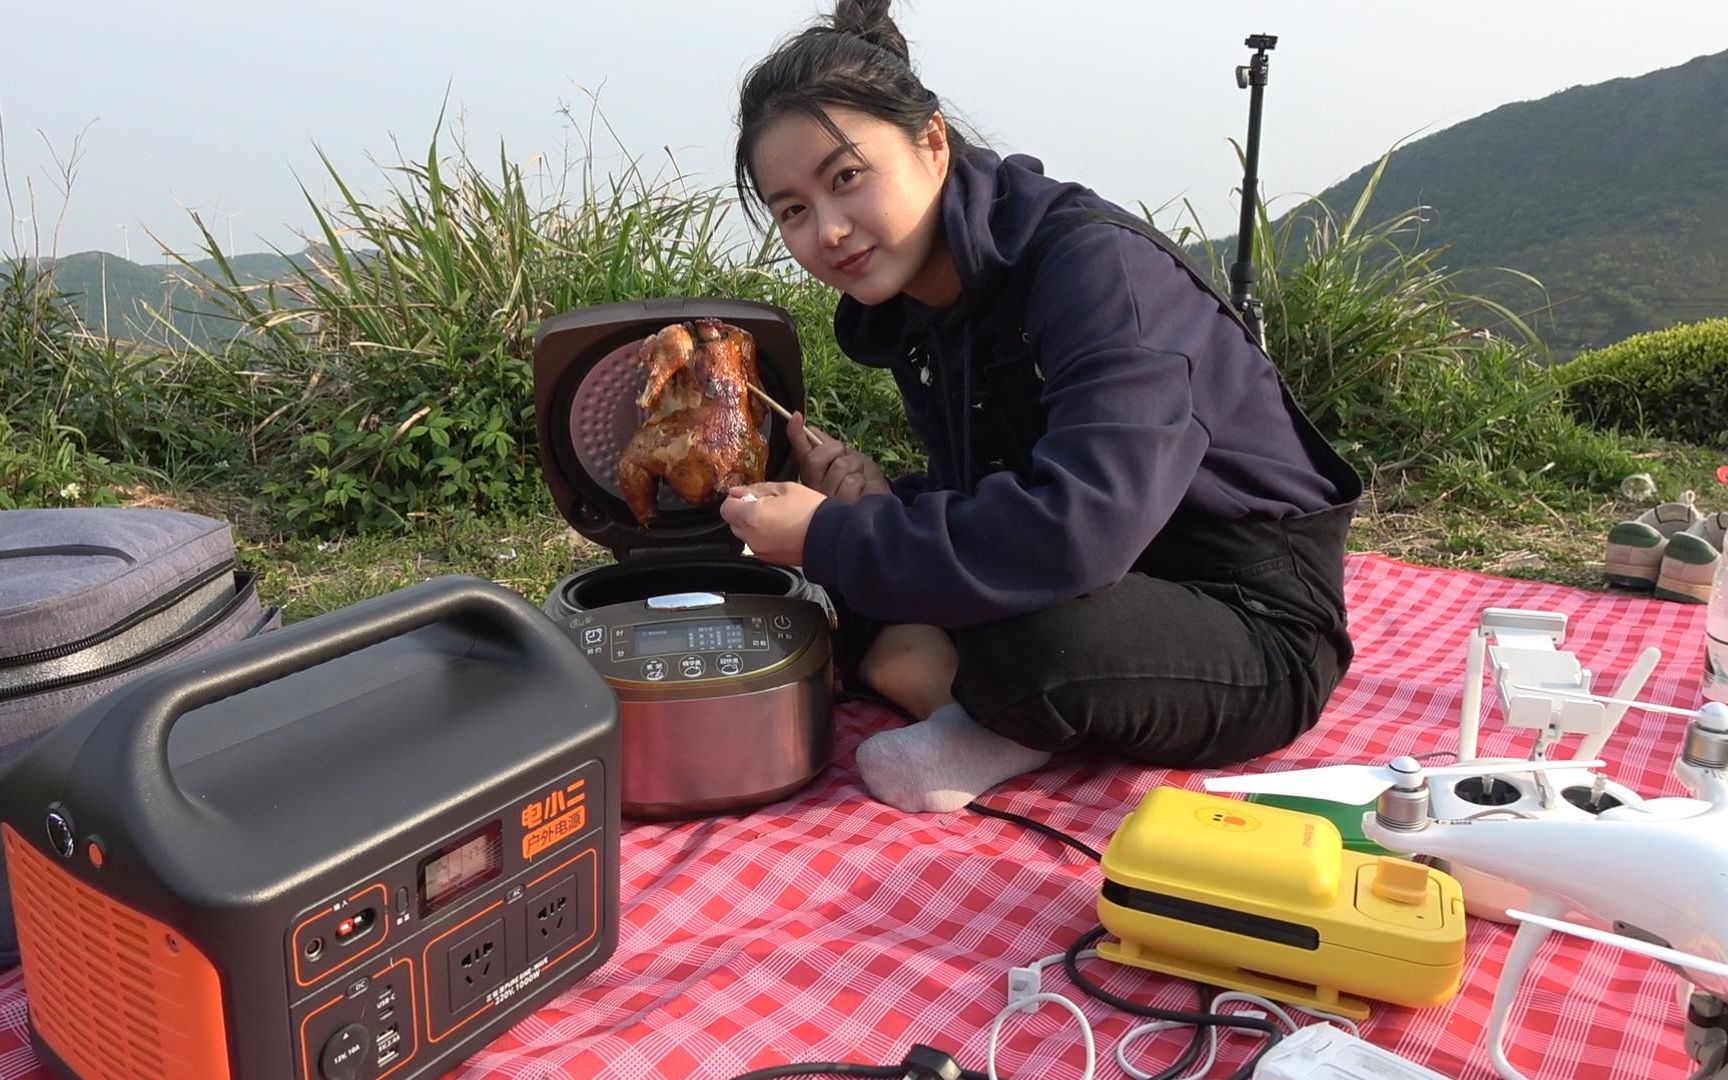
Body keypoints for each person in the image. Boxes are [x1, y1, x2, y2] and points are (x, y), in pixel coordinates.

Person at [718, 0, 1363, 814]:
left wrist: (828, 533)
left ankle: (983, 712)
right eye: (793, 210)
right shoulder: (926, 306)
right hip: (1103, 570)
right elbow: (996, 494)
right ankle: (975, 702)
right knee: (824, 584)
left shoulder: (1092, 271)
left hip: (1248, 618)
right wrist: (877, 504)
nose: (830, 230)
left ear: (932, 142)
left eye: (846, 177)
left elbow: (1077, 528)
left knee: (1028, 637)